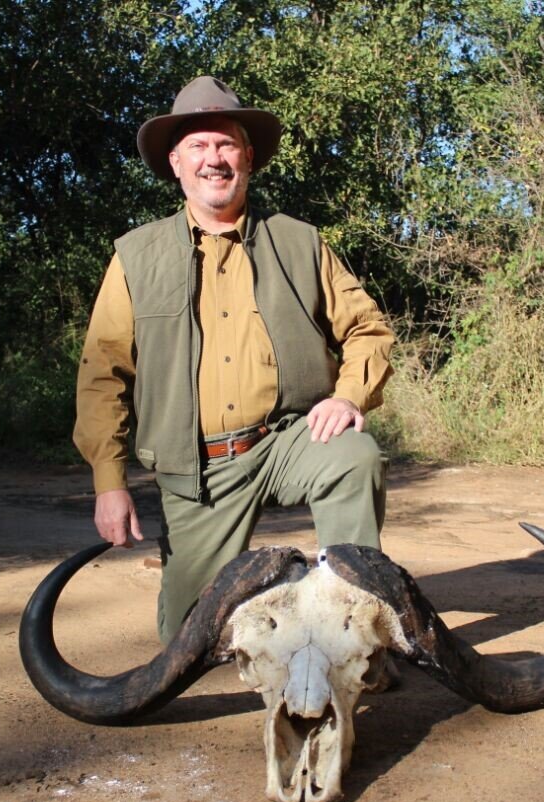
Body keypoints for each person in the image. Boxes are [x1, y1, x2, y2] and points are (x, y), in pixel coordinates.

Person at [74, 76, 395, 642]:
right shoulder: (135, 257)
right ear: (176, 163)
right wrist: (109, 480)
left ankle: (353, 634)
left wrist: (347, 396)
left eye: (225, 144)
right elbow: (103, 373)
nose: (213, 159)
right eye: (198, 146)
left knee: (355, 456)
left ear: (248, 158)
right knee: (185, 643)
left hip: (290, 440)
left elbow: (368, 329)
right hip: (197, 469)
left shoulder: (300, 242)